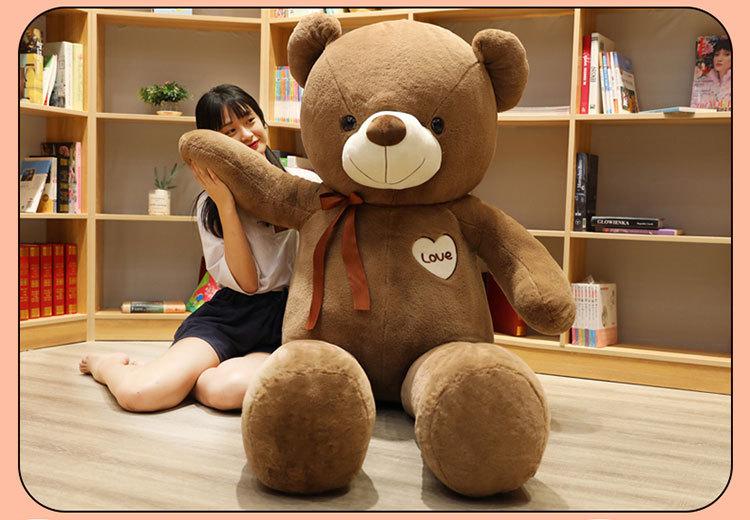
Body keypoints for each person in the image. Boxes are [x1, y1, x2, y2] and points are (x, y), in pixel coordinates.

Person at [79, 84, 316, 412]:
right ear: (214, 144)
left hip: (285, 318)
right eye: (229, 131)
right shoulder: (210, 205)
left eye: (250, 120)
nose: (247, 134)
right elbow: (248, 284)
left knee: (225, 392)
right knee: (139, 394)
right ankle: (107, 366)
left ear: (264, 122)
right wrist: (226, 204)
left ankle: (189, 379)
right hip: (232, 313)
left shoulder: (304, 183)